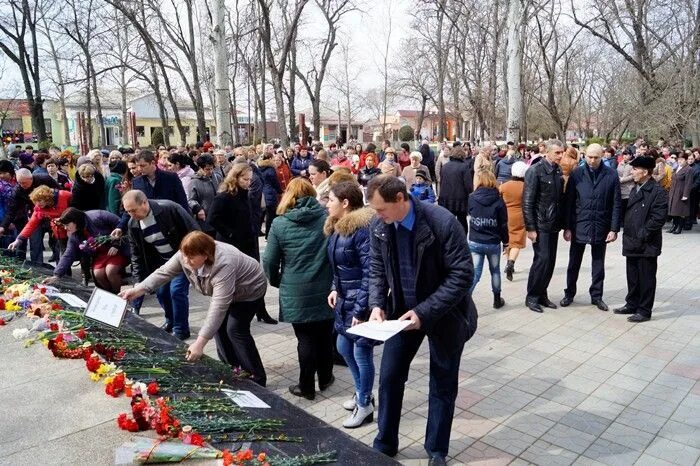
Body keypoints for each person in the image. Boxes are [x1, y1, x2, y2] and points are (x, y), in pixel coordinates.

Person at [366, 175, 477, 466]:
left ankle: (436, 450)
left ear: (401, 199)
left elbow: (462, 275)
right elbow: (376, 269)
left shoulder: (441, 222)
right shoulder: (380, 226)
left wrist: (425, 312)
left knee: (442, 382)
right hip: (402, 314)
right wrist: (377, 304)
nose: (377, 215)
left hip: (445, 314)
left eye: (381, 209)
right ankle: (385, 442)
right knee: (389, 376)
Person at [120, 231, 268, 385]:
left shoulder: (224, 263)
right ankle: (232, 369)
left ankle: (256, 377)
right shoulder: (185, 253)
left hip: (249, 289)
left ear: (205, 254)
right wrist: (137, 290)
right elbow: (163, 273)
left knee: (235, 329)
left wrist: (199, 343)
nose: (186, 261)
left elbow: (219, 306)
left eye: (191, 257)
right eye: (184, 256)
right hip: (228, 291)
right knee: (219, 329)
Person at [263, 178, 334, 400]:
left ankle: (306, 386)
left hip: (295, 289)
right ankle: (325, 377)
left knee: (305, 339)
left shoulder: (280, 223)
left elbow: (270, 261)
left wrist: (277, 281)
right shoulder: (326, 218)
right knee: (324, 335)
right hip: (325, 287)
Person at [324, 181, 378, 428]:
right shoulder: (338, 228)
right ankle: (360, 391)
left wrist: (360, 309)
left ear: (345, 203)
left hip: (359, 302)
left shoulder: (360, 229)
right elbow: (339, 266)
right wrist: (335, 288)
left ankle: (365, 404)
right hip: (345, 298)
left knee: (360, 351)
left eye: (331, 200)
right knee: (343, 346)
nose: (326, 204)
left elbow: (370, 272)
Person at [122, 190, 200, 340]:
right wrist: (138, 281)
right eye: (128, 211)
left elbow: (194, 232)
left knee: (176, 291)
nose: (131, 215)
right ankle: (170, 321)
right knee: (161, 293)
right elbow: (136, 254)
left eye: (133, 210)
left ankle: (181, 329)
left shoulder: (169, 209)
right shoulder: (133, 224)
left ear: (144, 203)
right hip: (162, 263)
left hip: (184, 258)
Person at [208, 164, 278, 325]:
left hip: (249, 242)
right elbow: (212, 219)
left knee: (256, 278)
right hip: (231, 245)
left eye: (250, 180)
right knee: (233, 280)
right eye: (245, 179)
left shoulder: (245, 193)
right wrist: (231, 233)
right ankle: (231, 313)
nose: (248, 183)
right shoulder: (224, 196)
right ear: (235, 177)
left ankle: (261, 310)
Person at [560, 144, 621, 311]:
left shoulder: (611, 175)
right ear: (584, 156)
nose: (592, 160)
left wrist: (614, 229)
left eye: (596, 157)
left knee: (598, 264)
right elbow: (569, 202)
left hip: (601, 225)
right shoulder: (576, 174)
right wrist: (567, 227)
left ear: (602, 156)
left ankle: (597, 296)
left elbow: (616, 203)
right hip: (579, 224)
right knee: (574, 263)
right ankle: (569, 293)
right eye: (589, 157)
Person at [613, 156, 667, 323]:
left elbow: (658, 218)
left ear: (645, 172)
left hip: (646, 244)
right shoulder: (635, 188)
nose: (632, 172)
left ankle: (644, 310)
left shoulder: (657, 192)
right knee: (633, 276)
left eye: (635, 169)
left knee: (646, 278)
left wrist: (642, 234)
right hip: (632, 241)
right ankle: (632, 303)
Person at [523, 139, 566, 313]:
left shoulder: (557, 170)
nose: (560, 155)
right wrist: (531, 228)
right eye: (557, 152)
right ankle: (532, 296)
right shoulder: (535, 171)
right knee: (542, 260)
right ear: (547, 152)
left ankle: (542, 294)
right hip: (540, 224)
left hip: (553, 223)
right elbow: (527, 201)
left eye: (562, 152)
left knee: (550, 262)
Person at [42, 208, 129, 293]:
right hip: (99, 255)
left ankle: (118, 295)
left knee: (111, 271)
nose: (65, 228)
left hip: (116, 250)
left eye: (67, 225)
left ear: (75, 221)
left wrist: (116, 244)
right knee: (98, 274)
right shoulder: (74, 235)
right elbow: (68, 254)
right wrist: (56, 275)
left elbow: (120, 225)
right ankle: (110, 295)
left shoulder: (98, 216)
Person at [468, 169, 509, 308]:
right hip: (492, 242)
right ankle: (497, 300)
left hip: (475, 240)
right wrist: (506, 242)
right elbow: (503, 223)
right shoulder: (498, 199)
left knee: (475, 273)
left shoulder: (472, 197)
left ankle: (465, 300)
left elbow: (469, 212)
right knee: (495, 271)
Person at [0, 169, 60, 262]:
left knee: (57, 242)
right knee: (35, 242)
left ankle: (60, 270)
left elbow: (60, 194)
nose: (22, 185)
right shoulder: (18, 190)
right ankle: (38, 268)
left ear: (31, 178)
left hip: (54, 214)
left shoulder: (45, 179)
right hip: (36, 214)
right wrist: (3, 226)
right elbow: (12, 211)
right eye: (19, 182)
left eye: (24, 182)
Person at [8, 185, 72, 255]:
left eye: (39, 200)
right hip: (60, 233)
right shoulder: (39, 208)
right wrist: (18, 240)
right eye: (35, 201)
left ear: (47, 198)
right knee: (63, 255)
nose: (37, 203)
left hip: (73, 228)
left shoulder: (64, 195)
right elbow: (31, 224)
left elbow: (77, 208)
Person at [498, 161, 528, 281]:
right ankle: (511, 263)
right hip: (520, 216)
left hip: (506, 215)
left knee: (507, 240)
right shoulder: (526, 187)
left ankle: (508, 263)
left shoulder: (504, 186)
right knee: (516, 242)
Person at [437, 146, 473, 234]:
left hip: (446, 198)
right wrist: (470, 195)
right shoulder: (464, 167)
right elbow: (468, 185)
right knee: (462, 221)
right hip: (460, 199)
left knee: (447, 221)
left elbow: (442, 182)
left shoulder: (445, 167)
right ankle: (462, 240)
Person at [188, 154, 219, 235]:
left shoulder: (217, 177)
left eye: (212, 168)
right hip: (205, 221)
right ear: (200, 168)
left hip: (219, 219)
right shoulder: (194, 182)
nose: (210, 171)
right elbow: (190, 200)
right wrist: (198, 209)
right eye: (207, 169)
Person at [667, 153, 693, 234]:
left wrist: (685, 195)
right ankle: (674, 226)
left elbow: (688, 183)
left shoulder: (688, 169)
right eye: (679, 159)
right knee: (674, 210)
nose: (680, 161)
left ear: (686, 160)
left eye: (682, 160)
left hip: (681, 192)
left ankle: (679, 227)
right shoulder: (677, 167)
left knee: (681, 211)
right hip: (674, 192)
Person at [258, 153, 283, 239]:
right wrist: (280, 191)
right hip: (270, 193)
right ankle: (269, 234)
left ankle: (267, 234)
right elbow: (275, 183)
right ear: (270, 158)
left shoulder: (260, 168)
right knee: (272, 215)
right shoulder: (271, 169)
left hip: (262, 193)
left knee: (267, 214)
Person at [617, 150, 635, 219]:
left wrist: (623, 179)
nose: (625, 156)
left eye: (627, 154)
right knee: (621, 205)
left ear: (630, 155)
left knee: (627, 205)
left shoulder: (633, 164)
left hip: (629, 187)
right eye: (624, 154)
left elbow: (633, 175)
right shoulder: (620, 163)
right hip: (621, 188)